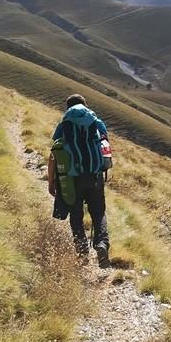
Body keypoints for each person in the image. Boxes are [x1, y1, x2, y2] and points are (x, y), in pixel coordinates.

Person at [47, 94, 110, 267]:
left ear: (67, 108)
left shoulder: (64, 124)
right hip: (95, 175)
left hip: (72, 178)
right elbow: (105, 147)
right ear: (85, 105)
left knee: (76, 215)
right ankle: (102, 244)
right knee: (98, 213)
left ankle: (82, 253)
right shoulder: (96, 122)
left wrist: (51, 182)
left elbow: (54, 154)